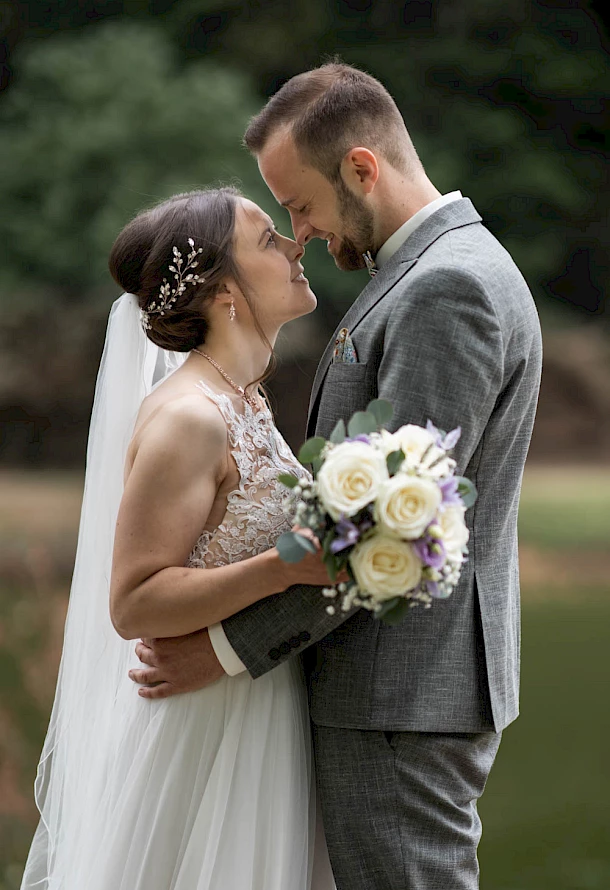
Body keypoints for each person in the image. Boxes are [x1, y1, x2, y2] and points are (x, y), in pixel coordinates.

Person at [131, 63, 544, 889]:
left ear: (362, 168)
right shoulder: (421, 270)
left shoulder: (446, 288)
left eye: (300, 204)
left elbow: (393, 525)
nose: (301, 232)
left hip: (401, 693)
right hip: (391, 692)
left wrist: (230, 650)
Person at [20, 187, 339, 889]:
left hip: (260, 708)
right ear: (225, 289)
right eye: (266, 239)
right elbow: (136, 600)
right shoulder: (190, 418)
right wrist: (286, 567)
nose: (296, 244)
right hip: (206, 736)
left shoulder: (244, 399)